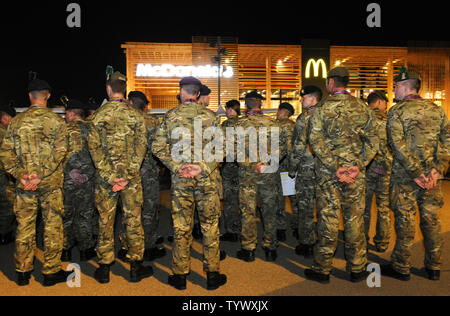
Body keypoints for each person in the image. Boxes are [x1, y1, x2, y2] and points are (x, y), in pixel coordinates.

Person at [304, 67, 379, 284]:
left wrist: (334, 165)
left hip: (329, 174)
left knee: (328, 218)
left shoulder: (321, 108)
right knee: (354, 218)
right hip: (355, 174)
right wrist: (359, 165)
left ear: (330, 83)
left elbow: (315, 141)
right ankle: (357, 267)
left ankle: (323, 268)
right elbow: (374, 139)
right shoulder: (362, 107)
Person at [152, 76, 227, 291]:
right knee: (210, 226)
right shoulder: (211, 116)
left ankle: (180, 275)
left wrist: (177, 167)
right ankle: (212, 274)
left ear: (182, 92)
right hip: (207, 180)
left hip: (182, 179)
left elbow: (157, 147)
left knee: (181, 226)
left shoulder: (170, 116)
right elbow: (222, 150)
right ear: (197, 93)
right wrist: (202, 167)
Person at [0, 79, 71, 287]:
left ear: (30, 96)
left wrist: (20, 175)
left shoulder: (16, 122)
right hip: (49, 184)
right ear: (47, 96)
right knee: (52, 227)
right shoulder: (57, 122)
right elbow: (60, 153)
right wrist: (40, 175)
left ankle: (22, 272)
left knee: (25, 226)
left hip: (23, 185)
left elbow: (5, 153)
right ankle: (50, 272)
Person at [382, 67, 450, 282]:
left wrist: (415, 172)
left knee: (405, 220)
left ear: (404, 86)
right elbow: (447, 141)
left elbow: (397, 144)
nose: (394, 90)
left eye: (396, 86)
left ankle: (402, 266)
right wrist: (436, 170)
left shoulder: (397, 111)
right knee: (431, 221)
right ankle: (434, 267)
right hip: (432, 178)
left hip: (405, 177)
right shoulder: (437, 110)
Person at [88, 68, 153, 284]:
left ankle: (104, 268)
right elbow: (141, 147)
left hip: (105, 180)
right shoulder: (136, 115)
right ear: (124, 90)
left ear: (108, 89)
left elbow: (94, 149)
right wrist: (127, 175)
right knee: (133, 220)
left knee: (105, 221)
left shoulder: (98, 116)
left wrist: (110, 176)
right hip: (131, 180)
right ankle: (135, 267)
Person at [235, 91, 287, 263]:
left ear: (245, 105)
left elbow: (234, 151)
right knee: (269, 210)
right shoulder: (274, 124)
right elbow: (283, 149)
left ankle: (248, 248)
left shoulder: (238, 125)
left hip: (247, 175)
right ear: (261, 104)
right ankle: (270, 248)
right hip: (268, 173)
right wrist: (265, 163)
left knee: (247, 212)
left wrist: (251, 164)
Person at [117, 91, 166, 262]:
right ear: (144, 106)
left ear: (129, 102)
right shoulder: (152, 121)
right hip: (148, 171)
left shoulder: (122, 121)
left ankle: (127, 246)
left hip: (127, 172)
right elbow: (159, 148)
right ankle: (148, 247)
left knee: (129, 210)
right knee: (149, 210)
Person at [61, 99, 97, 262]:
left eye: (66, 113)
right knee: (85, 214)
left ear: (71, 113)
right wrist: (87, 174)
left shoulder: (61, 129)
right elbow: (99, 156)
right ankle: (85, 249)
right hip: (87, 179)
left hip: (65, 179)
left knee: (65, 214)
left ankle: (65, 249)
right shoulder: (92, 129)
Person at [289, 86, 322, 258]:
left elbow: (299, 145)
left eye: (303, 97)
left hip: (307, 170)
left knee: (306, 207)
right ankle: (325, 243)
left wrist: (292, 168)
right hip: (326, 170)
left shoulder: (305, 118)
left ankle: (307, 243)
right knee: (325, 208)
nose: (301, 100)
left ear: (312, 98)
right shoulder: (327, 115)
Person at [364, 91, 393, 253]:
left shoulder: (363, 119)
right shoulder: (389, 120)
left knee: (364, 206)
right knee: (383, 206)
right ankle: (382, 242)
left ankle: (362, 238)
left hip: (367, 168)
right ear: (381, 102)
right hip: (386, 168)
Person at [220, 100, 242, 243]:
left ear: (229, 110)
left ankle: (232, 231)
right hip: (244, 167)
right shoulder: (245, 124)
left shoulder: (226, 125)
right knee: (243, 199)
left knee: (229, 201)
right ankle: (243, 229)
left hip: (229, 167)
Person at [275, 102, 297, 242]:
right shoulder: (296, 126)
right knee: (294, 199)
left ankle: (280, 229)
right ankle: (297, 227)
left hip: (278, 166)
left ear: (282, 111)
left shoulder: (275, 125)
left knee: (279, 199)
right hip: (292, 167)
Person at [0, 104, 17, 245]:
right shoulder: (4, 133)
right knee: (7, 203)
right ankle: (4, 233)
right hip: (3, 174)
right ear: (5, 117)